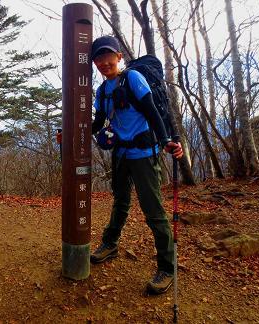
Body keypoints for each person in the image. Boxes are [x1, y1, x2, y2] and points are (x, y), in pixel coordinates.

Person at [89, 36, 184, 295]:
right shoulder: (102, 91)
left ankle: (167, 267)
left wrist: (167, 140)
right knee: (120, 201)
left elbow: (153, 111)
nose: (103, 62)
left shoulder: (133, 79)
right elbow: (98, 122)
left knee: (152, 210)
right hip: (120, 153)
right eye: (98, 58)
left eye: (108, 56)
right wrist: (74, 130)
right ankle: (110, 244)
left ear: (119, 57)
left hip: (143, 154)